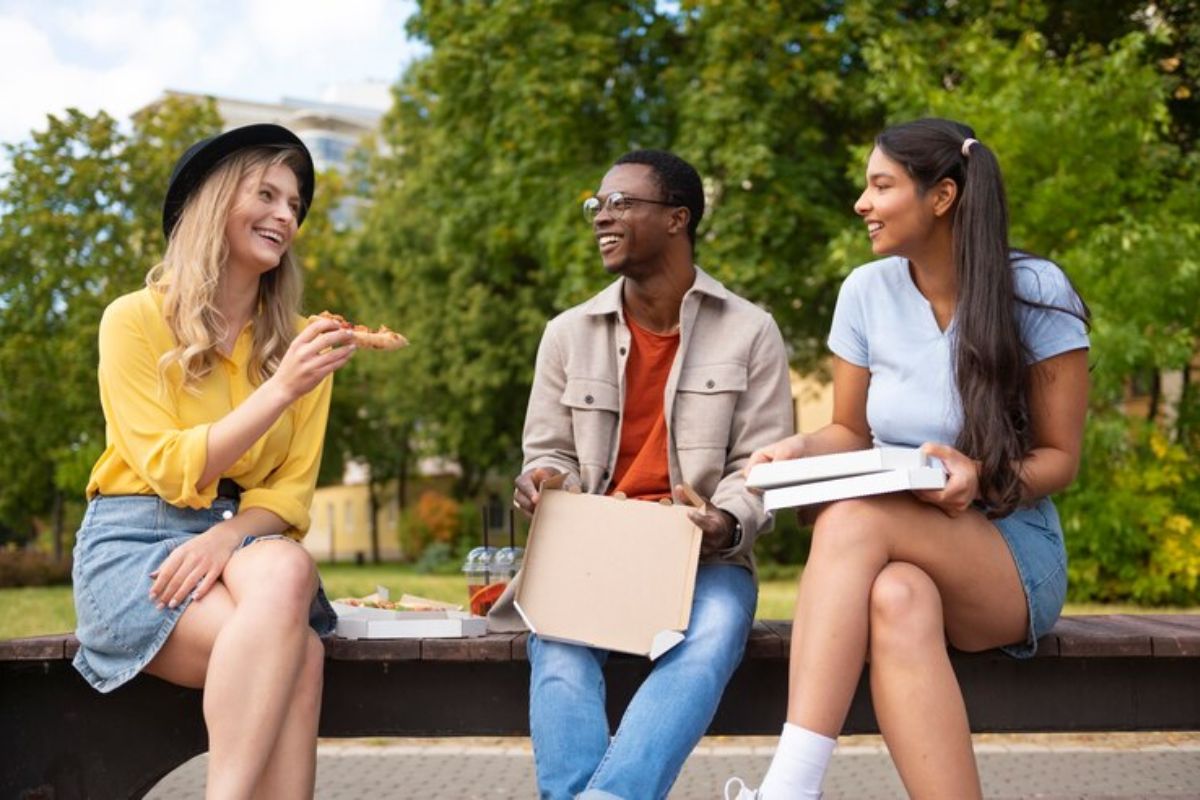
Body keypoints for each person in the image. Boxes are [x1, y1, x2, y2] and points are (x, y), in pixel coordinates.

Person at [725, 118, 1091, 800]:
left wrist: (984, 476)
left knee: (850, 520)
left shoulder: (1036, 290)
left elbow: (1061, 459)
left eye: (881, 185)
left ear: (942, 197)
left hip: (1010, 553)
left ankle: (788, 789)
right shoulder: (866, 292)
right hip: (910, 554)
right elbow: (848, 431)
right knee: (897, 598)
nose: (862, 202)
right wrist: (795, 449)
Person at [487, 149, 793, 800]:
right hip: (589, 554)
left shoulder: (751, 332)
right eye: (596, 204)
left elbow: (760, 467)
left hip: (701, 558)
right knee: (560, 653)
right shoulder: (568, 334)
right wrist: (541, 477)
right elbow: (549, 451)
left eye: (621, 202)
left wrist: (722, 520)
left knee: (709, 641)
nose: (602, 215)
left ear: (678, 218)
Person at [72, 124, 355, 798]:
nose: (286, 215)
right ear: (215, 201)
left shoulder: (302, 345)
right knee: (300, 652)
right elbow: (170, 465)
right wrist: (281, 388)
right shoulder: (134, 319)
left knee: (288, 564)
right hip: (136, 540)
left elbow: (289, 497)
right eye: (267, 193)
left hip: (242, 539)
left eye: (295, 205)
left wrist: (225, 538)